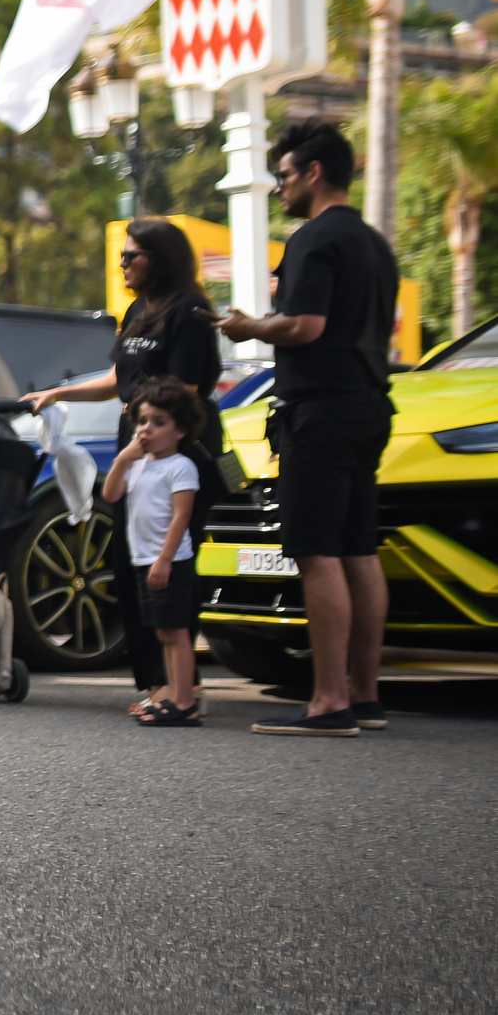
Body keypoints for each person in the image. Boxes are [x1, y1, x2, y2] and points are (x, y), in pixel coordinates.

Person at [220, 118, 400, 737]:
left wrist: (252, 327)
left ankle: (328, 702)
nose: (280, 189)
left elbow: (305, 326)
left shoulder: (312, 239)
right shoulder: (376, 244)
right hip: (371, 406)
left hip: (319, 412)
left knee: (315, 551)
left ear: (314, 173)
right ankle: (365, 695)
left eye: (286, 175)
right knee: (357, 551)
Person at [24, 217, 224, 711]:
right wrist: (60, 391)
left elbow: (188, 395)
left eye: (131, 255)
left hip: (172, 449)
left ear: (161, 259)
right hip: (138, 443)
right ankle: (156, 682)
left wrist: (148, 444)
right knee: (132, 563)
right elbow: (121, 376)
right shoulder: (138, 310)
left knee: (170, 566)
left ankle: (181, 689)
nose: (122, 264)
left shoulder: (190, 311)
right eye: (122, 256)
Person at [101, 378, 204, 727]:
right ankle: (174, 696)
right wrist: (123, 459)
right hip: (144, 561)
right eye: (143, 421)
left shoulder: (180, 467)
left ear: (180, 430)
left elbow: (182, 516)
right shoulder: (139, 464)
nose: (147, 429)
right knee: (162, 633)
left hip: (169, 562)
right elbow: (110, 495)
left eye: (159, 422)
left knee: (175, 632)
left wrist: (164, 560)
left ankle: (185, 701)